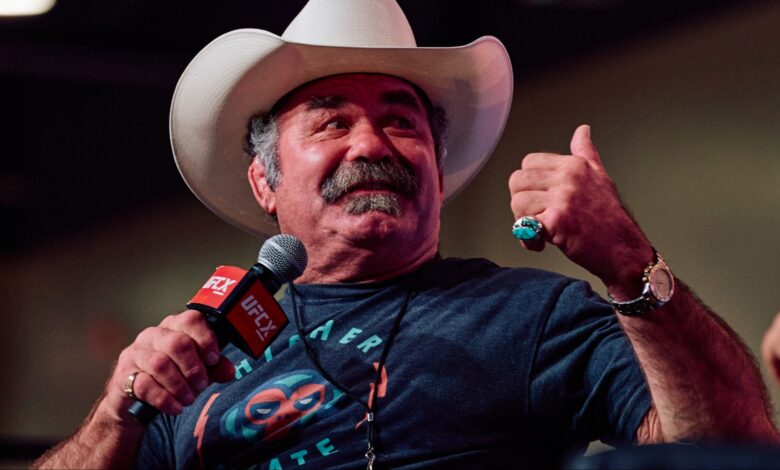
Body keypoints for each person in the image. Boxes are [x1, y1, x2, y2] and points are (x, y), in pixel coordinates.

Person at [34, 1, 777, 468]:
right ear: (265, 182)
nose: (371, 144)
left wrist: (627, 263)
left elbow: (730, 450)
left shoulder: (534, 316)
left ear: (437, 169)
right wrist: (116, 413)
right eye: (332, 122)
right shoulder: (208, 353)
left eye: (400, 121)